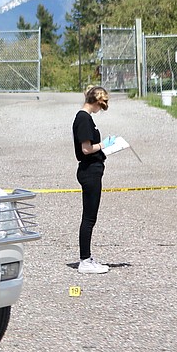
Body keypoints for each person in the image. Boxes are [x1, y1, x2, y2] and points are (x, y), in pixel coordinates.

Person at [72, 85, 118, 274]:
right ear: (96, 102)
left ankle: (87, 257)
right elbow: (86, 149)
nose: (100, 110)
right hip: (89, 171)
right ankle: (84, 260)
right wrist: (103, 144)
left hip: (93, 170)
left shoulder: (86, 118)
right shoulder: (83, 118)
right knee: (89, 218)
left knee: (91, 217)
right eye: (101, 106)